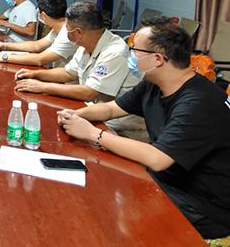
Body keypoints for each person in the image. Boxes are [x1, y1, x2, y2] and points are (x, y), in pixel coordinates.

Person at [57, 19, 230, 243]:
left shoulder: (198, 102)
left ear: (157, 59)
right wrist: (77, 115)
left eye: (134, 50)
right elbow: (112, 109)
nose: (130, 55)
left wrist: (93, 134)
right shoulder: (154, 83)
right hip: (168, 180)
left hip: (203, 205)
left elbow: (158, 159)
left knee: (110, 212)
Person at [14, 2, 145, 140]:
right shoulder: (85, 45)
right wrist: (35, 74)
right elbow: (68, 73)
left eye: (67, 29)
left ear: (78, 33)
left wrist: (43, 86)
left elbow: (89, 93)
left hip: (120, 129)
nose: (65, 33)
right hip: (94, 114)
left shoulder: (114, 52)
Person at [0, 0, 77, 67]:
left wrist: (2, 57)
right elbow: (36, 46)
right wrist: (4, 46)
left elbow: (40, 60)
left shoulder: (67, 34)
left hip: (67, 81)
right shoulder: (58, 28)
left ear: (43, 15)